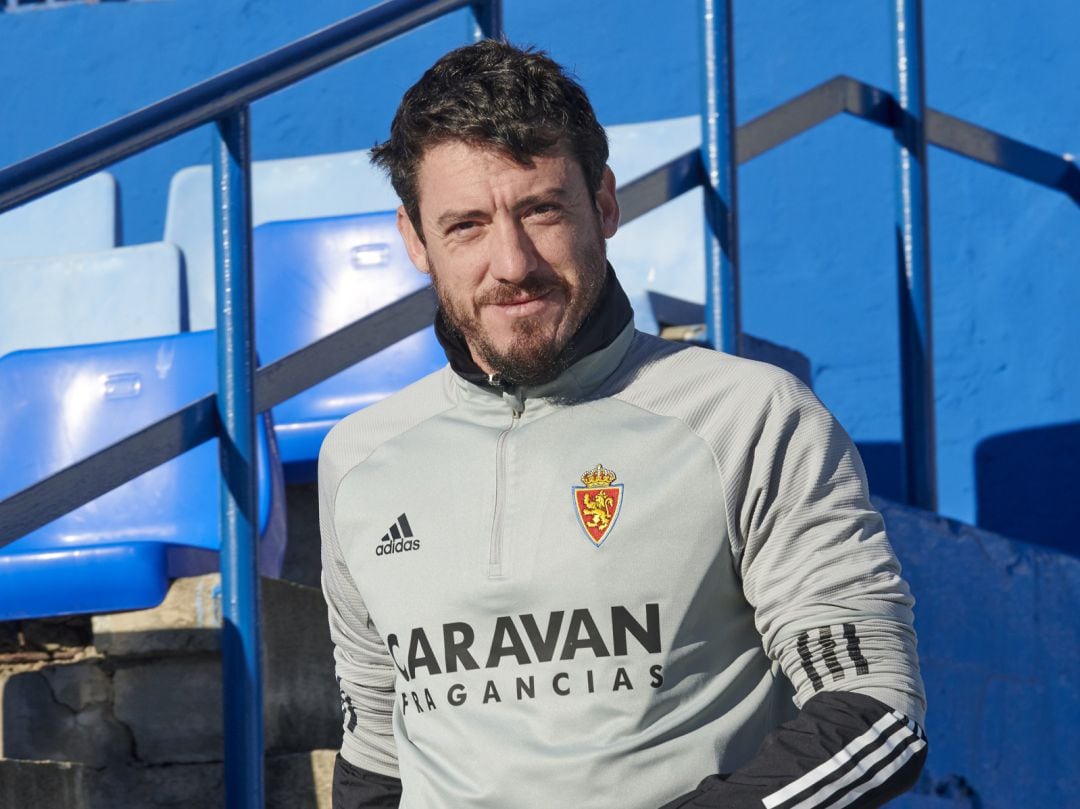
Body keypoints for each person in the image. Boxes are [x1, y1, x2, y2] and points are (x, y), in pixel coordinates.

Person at [320, 39, 927, 809]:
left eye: (540, 209)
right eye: (466, 225)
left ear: (604, 203)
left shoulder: (749, 417)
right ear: (415, 241)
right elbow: (375, 757)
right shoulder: (362, 459)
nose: (511, 262)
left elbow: (873, 713)